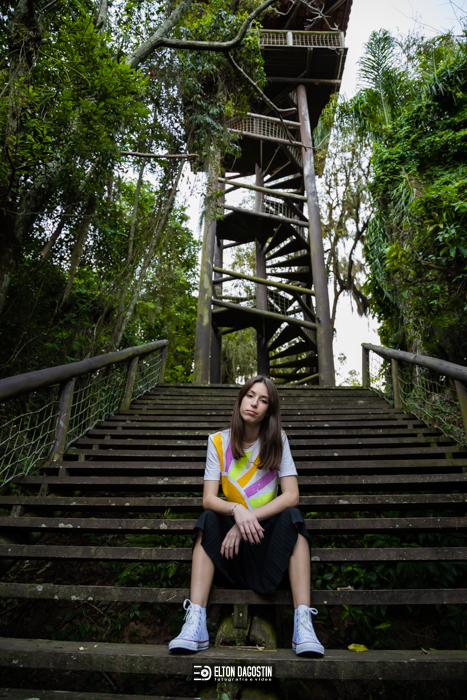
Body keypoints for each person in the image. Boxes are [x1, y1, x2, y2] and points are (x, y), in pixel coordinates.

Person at [168, 375, 324, 657]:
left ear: (269, 410)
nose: (254, 403)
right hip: (230, 554)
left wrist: (246, 521)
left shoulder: (278, 440)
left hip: (266, 551)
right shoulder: (218, 442)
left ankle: (303, 625)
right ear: (240, 399)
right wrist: (236, 510)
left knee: (293, 518)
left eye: (263, 400)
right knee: (208, 519)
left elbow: (291, 495)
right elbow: (208, 499)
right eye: (250, 395)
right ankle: (195, 622)